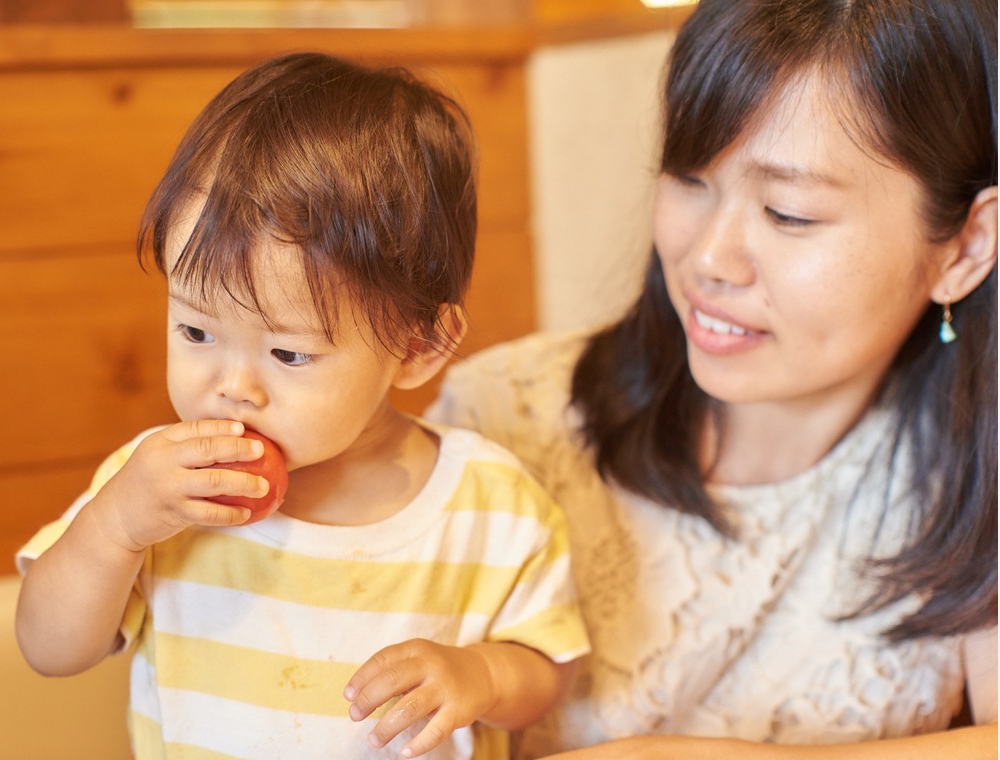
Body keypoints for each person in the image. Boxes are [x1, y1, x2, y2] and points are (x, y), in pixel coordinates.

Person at [426, 0, 998, 757]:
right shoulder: (503, 416)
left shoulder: (971, 474)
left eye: (789, 214)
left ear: (965, 246)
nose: (707, 260)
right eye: (689, 179)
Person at [14, 52, 589, 760]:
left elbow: (550, 667)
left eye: (288, 354)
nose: (233, 386)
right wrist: (115, 528)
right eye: (196, 331)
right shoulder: (152, 490)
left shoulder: (492, 504)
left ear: (418, 347)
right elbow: (47, 648)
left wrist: (480, 674)